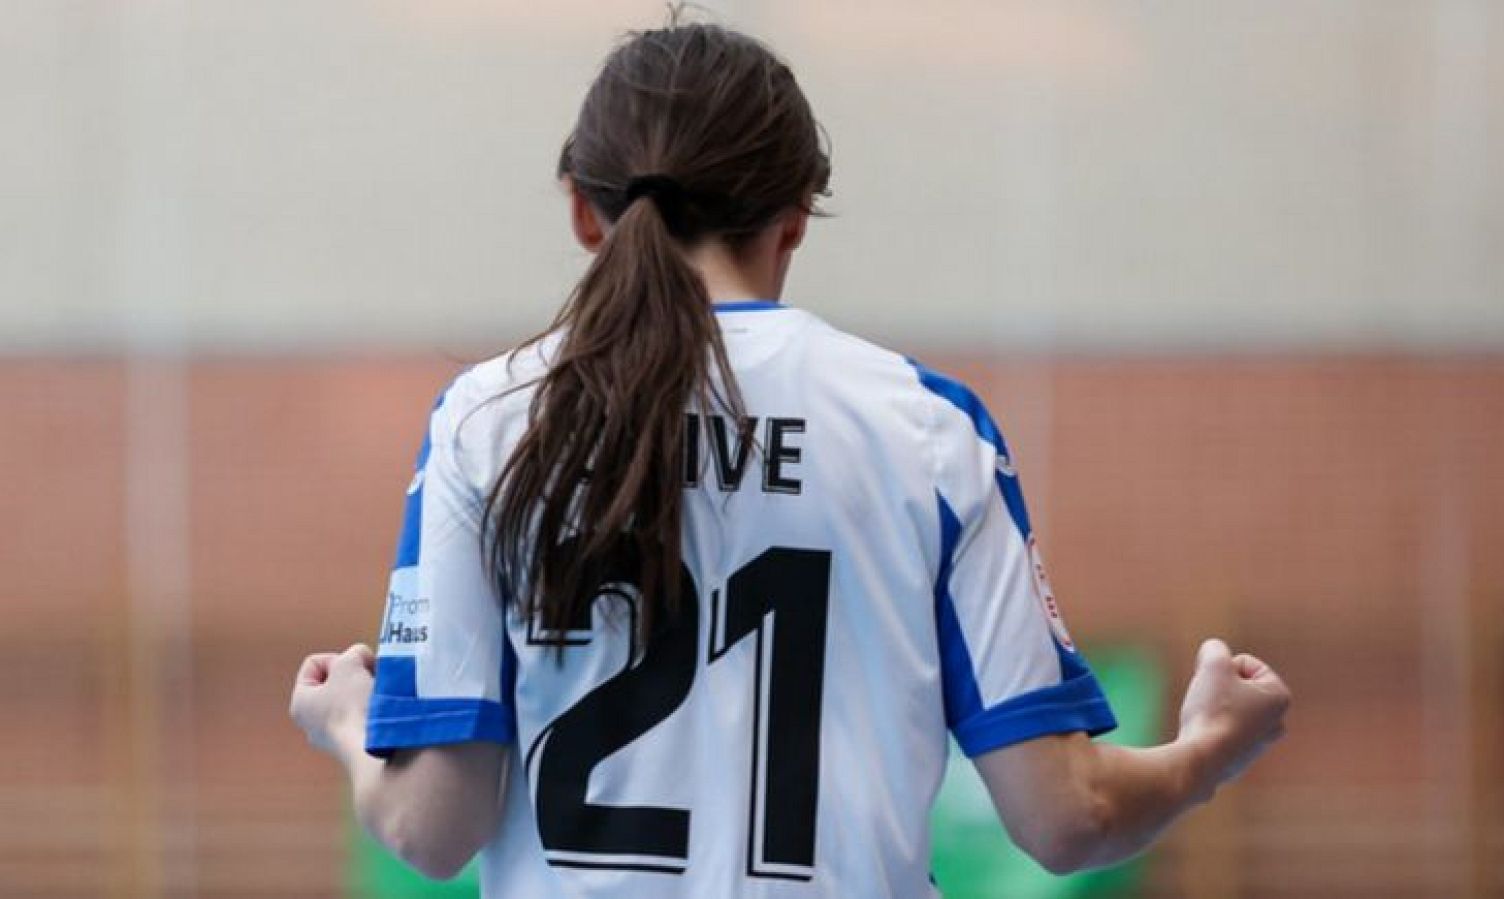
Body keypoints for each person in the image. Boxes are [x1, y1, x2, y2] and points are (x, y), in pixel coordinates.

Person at [289, 20, 1290, 898]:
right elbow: (1066, 818)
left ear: (583, 212)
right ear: (794, 218)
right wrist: (1209, 747)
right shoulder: (925, 428)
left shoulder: (489, 420)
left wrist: (348, 718)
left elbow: (431, 827)